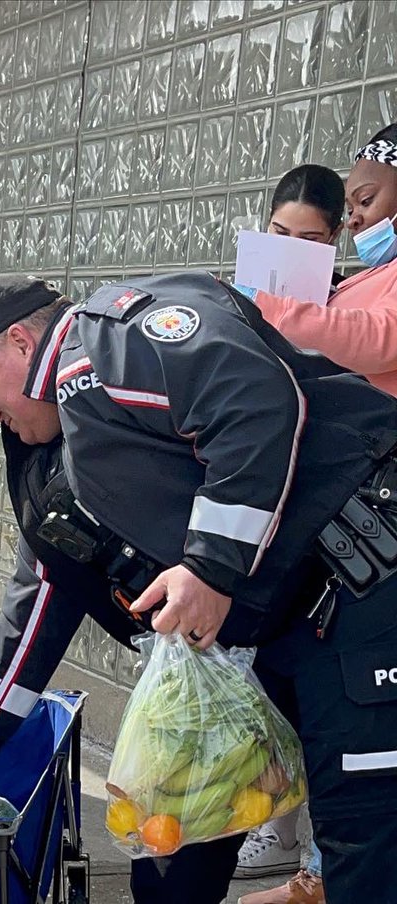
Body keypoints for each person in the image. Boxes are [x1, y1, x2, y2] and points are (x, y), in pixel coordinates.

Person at [0, 270, 397, 902]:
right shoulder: (59, 457)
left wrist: (209, 566)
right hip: (270, 633)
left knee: (367, 840)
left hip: (362, 580)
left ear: (20, 340)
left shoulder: (106, 344)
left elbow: (254, 401)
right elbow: (42, 592)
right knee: (178, 845)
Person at [234, 163, 347, 903]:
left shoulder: (351, 313)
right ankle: (273, 824)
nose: (289, 253)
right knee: (258, 681)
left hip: (337, 520)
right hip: (266, 510)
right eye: (279, 234)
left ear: (335, 243)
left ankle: (314, 859)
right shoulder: (235, 303)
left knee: (323, 693)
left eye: (308, 242)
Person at [241, 124, 397, 394]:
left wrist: (265, 306)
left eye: (365, 200)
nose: (354, 220)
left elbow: (379, 338)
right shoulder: (375, 275)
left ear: (332, 235)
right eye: (350, 209)